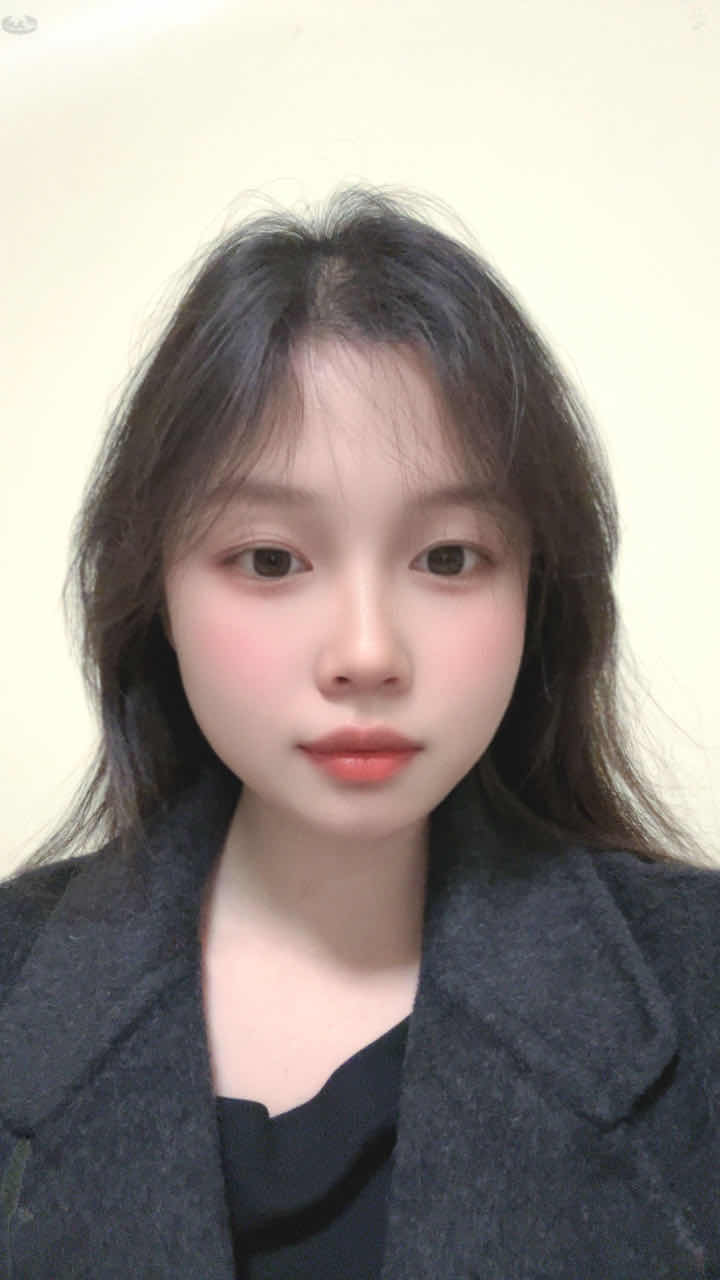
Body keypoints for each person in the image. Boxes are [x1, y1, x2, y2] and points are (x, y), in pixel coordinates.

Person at [1, 186, 718, 1280]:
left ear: (538, 591)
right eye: (271, 559)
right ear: (155, 597)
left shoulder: (697, 982)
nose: (367, 652)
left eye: (448, 557)